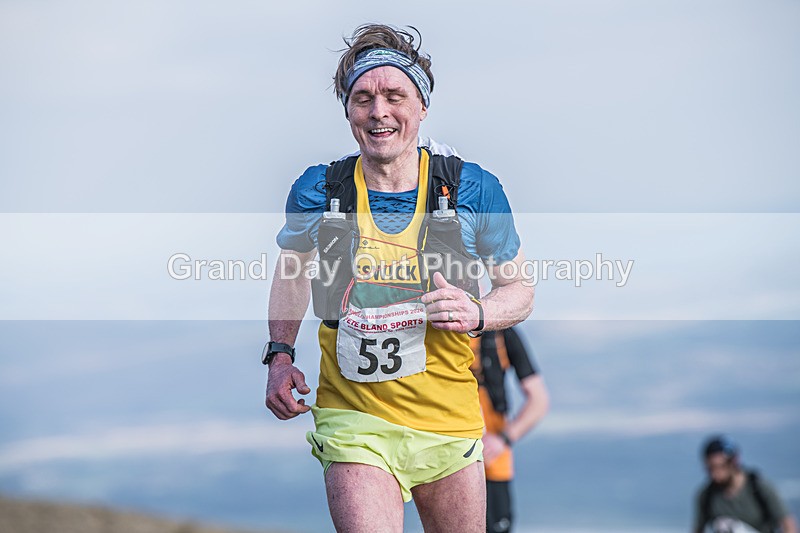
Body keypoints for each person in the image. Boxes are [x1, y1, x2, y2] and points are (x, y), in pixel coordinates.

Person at [263, 24, 534, 533]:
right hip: (354, 419)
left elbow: (519, 291)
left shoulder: (471, 189)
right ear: (349, 113)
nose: (378, 111)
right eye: (362, 99)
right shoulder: (320, 190)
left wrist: (477, 312)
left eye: (394, 96)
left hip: (449, 421)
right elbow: (292, 270)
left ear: (422, 106)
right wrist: (279, 354)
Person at [470, 326, 549, 533]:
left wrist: (503, 439)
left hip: (493, 463)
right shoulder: (436, 330)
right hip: (448, 461)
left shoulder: (502, 334)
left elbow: (539, 399)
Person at [693, 435, 797, 533]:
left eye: (720, 467)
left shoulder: (759, 488)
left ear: (734, 461)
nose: (715, 474)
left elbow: (787, 523)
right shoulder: (707, 496)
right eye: (710, 468)